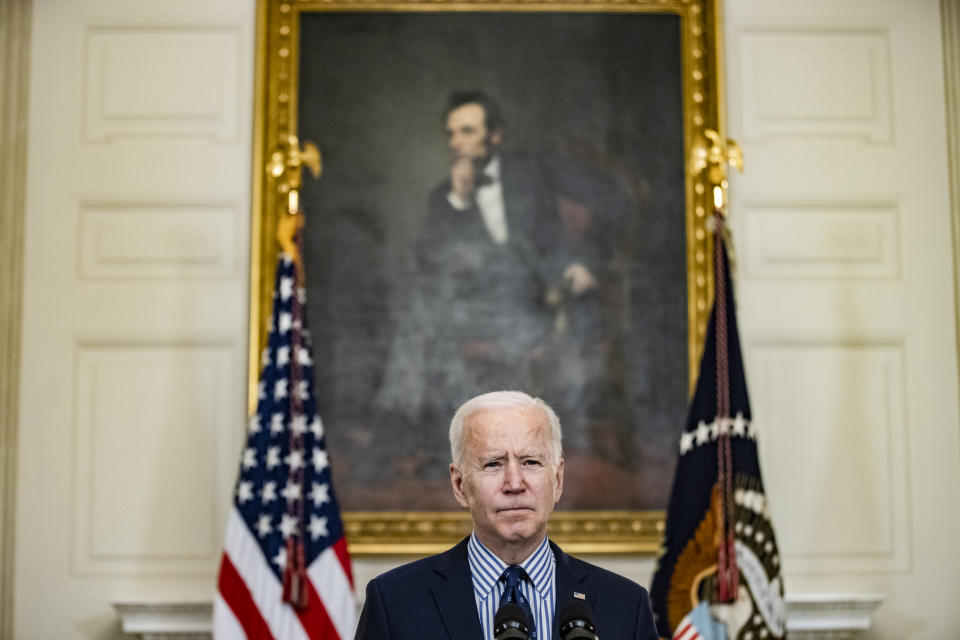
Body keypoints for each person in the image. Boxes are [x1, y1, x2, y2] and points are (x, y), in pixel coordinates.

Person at [355, 390, 659, 639]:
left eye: (530, 462)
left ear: (558, 480)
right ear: (459, 485)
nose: (515, 484)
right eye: (493, 464)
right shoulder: (394, 603)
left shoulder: (626, 605)